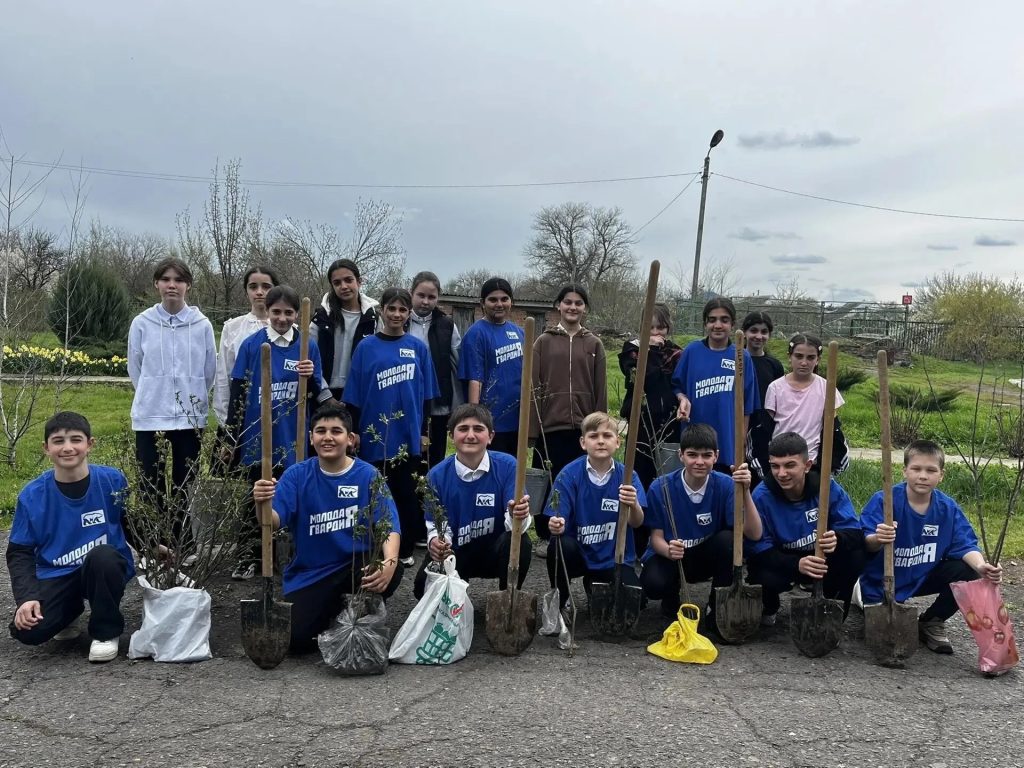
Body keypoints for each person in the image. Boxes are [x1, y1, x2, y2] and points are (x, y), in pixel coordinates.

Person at [252, 404, 403, 653]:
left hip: (354, 565)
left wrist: (390, 562)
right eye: (320, 431)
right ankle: (336, 615)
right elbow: (272, 522)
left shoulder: (368, 475)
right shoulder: (296, 476)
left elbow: (388, 526)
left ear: (350, 439)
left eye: (336, 431)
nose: (328, 437)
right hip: (311, 574)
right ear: (311, 438)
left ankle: (359, 613)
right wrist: (261, 503)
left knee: (387, 568)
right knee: (295, 643)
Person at [6, 412, 135, 663]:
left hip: (101, 568)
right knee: (28, 631)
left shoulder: (112, 480)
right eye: (58, 441)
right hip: (58, 574)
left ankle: (105, 631)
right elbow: (19, 553)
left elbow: (129, 522)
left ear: (90, 444)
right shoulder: (32, 495)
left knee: (104, 556)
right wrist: (27, 598)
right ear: (46, 448)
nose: (67, 448)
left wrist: (155, 548)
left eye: (76, 440)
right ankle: (70, 610)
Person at [860, 440, 1002, 654]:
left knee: (969, 571)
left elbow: (965, 545)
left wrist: (982, 566)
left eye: (931, 470)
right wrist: (878, 538)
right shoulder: (885, 500)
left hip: (922, 576)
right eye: (916, 469)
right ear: (904, 471)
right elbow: (864, 544)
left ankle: (932, 621)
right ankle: (862, 598)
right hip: (882, 580)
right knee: (882, 625)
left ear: (941, 475)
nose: (923, 476)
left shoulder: (948, 509)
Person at [226, 285, 323, 579]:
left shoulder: (307, 346)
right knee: (257, 495)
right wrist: (232, 436)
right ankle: (249, 556)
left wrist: (310, 377)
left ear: (297, 315)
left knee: (295, 494)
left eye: (288, 313)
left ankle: (295, 555)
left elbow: (317, 391)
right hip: (259, 437)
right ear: (267, 312)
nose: (282, 318)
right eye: (276, 312)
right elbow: (238, 394)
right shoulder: (252, 344)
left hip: (292, 435)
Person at [344, 287, 439, 566]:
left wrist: (424, 432)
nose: (397, 314)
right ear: (381, 310)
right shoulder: (366, 347)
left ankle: (405, 548)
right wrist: (355, 431)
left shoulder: (418, 348)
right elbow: (354, 394)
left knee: (405, 494)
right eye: (391, 308)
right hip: (375, 434)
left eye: (402, 309)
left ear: (409, 313)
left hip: (407, 435)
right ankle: (374, 546)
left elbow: (427, 397)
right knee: (374, 492)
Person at [127, 257, 216, 551]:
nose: (172, 285)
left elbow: (209, 370)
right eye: (166, 279)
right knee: (151, 483)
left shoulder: (201, 325)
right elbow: (135, 367)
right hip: (151, 415)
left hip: (189, 418)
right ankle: (156, 544)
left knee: (183, 483)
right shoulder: (142, 323)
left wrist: (192, 397)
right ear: (157, 284)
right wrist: (154, 394)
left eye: (178, 280)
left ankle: (183, 543)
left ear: (188, 285)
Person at [640, 424, 762, 626]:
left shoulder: (726, 485)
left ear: (716, 456)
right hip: (672, 557)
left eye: (706, 455)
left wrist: (746, 491)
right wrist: (669, 550)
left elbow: (755, 534)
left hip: (705, 556)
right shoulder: (660, 487)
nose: (699, 462)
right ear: (681, 455)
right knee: (653, 584)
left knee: (729, 540)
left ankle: (717, 608)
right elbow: (655, 538)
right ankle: (671, 598)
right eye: (692, 455)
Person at [413, 404, 532, 599]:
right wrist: (437, 541)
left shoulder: (508, 466)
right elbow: (435, 524)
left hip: (495, 551)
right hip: (458, 551)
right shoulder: (436, 476)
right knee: (421, 588)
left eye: (478, 429)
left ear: (491, 436)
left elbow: (520, 524)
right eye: (463, 429)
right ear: (451, 436)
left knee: (521, 542)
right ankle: (457, 595)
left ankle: (507, 598)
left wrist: (517, 514)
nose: (470, 435)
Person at [747, 432, 866, 625]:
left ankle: (831, 609)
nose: (781, 473)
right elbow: (758, 549)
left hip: (820, 560)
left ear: (807, 466)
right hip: (784, 561)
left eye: (790, 465)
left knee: (856, 555)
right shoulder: (761, 495)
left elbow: (854, 532)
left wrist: (838, 538)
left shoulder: (826, 487)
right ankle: (769, 606)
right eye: (775, 466)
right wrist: (796, 564)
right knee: (761, 573)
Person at [530, 284, 608, 552]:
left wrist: (599, 428)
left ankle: (577, 529)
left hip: (582, 428)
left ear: (584, 308)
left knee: (580, 481)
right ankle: (544, 534)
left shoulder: (594, 343)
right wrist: (532, 429)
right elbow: (533, 386)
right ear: (558, 306)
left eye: (578, 303)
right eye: (568, 302)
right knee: (550, 479)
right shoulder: (543, 342)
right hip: (550, 426)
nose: (573, 307)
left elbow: (600, 389)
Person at [544, 412, 646, 608]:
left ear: (618, 442)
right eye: (593, 436)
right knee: (558, 545)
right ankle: (561, 600)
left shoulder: (628, 476)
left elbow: (637, 522)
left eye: (607, 436)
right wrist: (556, 525)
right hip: (579, 554)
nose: (600, 441)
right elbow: (557, 520)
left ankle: (593, 583)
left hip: (613, 559)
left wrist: (633, 503)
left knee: (636, 603)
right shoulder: (568, 475)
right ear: (583, 442)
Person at [619, 302, 683, 556]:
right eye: (651, 327)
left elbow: (677, 382)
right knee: (639, 479)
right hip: (641, 423)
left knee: (666, 483)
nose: (656, 333)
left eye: (661, 327)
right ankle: (634, 542)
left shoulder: (677, 353)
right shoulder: (632, 350)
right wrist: (651, 351)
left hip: (668, 423)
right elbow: (642, 375)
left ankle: (660, 541)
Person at [673, 298, 759, 475]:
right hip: (695, 441)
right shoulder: (692, 351)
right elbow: (677, 386)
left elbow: (747, 405)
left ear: (733, 324)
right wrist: (682, 399)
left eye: (724, 320)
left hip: (727, 442)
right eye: (712, 320)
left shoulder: (742, 356)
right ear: (705, 323)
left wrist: (741, 440)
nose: (718, 325)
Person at [212, 266, 280, 466]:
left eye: (266, 286)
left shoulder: (289, 328)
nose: (260, 292)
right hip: (240, 411)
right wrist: (226, 421)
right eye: (253, 286)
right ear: (246, 290)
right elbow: (224, 374)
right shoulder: (232, 327)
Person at [457, 277, 525, 456]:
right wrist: (476, 421)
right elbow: (474, 379)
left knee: (514, 472)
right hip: (491, 421)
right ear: (482, 303)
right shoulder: (476, 334)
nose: (499, 304)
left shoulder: (519, 333)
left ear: (512, 302)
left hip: (518, 420)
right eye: (493, 299)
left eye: (504, 299)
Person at [407, 271, 462, 470]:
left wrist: (456, 406)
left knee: (433, 458)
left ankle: (431, 499)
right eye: (421, 295)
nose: (425, 301)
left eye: (431, 297)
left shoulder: (447, 325)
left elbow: (457, 367)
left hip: (438, 405)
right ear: (411, 293)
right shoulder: (399, 320)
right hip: (407, 402)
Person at [311, 258, 379, 402]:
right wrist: (325, 396)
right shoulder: (321, 318)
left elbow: (378, 360)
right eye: (337, 283)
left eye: (349, 280)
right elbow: (309, 359)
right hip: (323, 395)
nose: (344, 286)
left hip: (360, 396)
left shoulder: (373, 319)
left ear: (359, 281)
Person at [742, 311, 784, 489]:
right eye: (753, 330)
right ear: (744, 332)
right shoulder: (734, 360)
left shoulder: (773, 365)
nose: (758, 336)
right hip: (740, 424)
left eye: (764, 331)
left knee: (759, 475)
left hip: (763, 429)